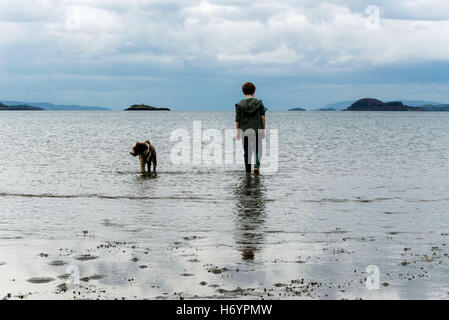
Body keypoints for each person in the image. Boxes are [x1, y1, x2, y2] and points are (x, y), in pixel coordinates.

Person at [235, 82, 266, 174]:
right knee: (258, 149)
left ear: (243, 92)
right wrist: (263, 130)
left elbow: (237, 119)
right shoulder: (259, 103)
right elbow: (263, 117)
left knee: (247, 151)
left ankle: (248, 172)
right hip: (257, 130)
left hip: (245, 131)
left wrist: (237, 131)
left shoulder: (240, 104)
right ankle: (256, 167)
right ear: (254, 91)